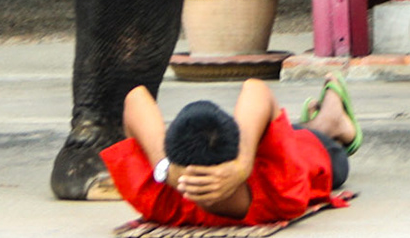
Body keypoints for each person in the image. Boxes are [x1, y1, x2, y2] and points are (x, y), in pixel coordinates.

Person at [102, 76, 359, 227]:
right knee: (312, 131)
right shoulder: (281, 194)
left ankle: (327, 118)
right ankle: (333, 120)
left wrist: (163, 166)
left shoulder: (161, 200)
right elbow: (254, 87)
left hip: (280, 141)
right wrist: (244, 162)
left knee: (285, 128)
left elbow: (135, 98)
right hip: (319, 153)